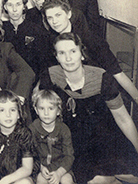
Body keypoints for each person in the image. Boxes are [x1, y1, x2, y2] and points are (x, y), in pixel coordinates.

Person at [40, 33, 138, 183]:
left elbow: (123, 119)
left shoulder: (102, 77)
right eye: (62, 53)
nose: (68, 58)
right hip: (74, 142)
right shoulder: (50, 76)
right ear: (56, 57)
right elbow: (43, 120)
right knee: (96, 180)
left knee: (130, 174)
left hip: (106, 137)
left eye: (73, 51)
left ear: (82, 54)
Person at [42, 0, 138, 104]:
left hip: (99, 94)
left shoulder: (91, 40)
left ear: (68, 14)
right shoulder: (52, 41)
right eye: (50, 18)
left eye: (58, 15)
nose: (54, 21)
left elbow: (118, 73)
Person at [2, 0, 50, 80]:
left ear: (24, 6)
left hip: (32, 80)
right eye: (10, 5)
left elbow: (43, 63)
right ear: (5, 7)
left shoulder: (36, 30)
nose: (14, 9)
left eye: (18, 4)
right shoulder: (2, 30)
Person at [29, 89, 75, 184]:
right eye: (42, 108)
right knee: (41, 180)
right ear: (36, 110)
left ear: (58, 111)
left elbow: (69, 156)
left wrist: (59, 173)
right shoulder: (32, 129)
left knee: (67, 180)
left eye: (51, 108)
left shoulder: (63, 129)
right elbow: (30, 153)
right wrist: (40, 167)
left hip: (61, 168)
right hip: (41, 168)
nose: (46, 113)